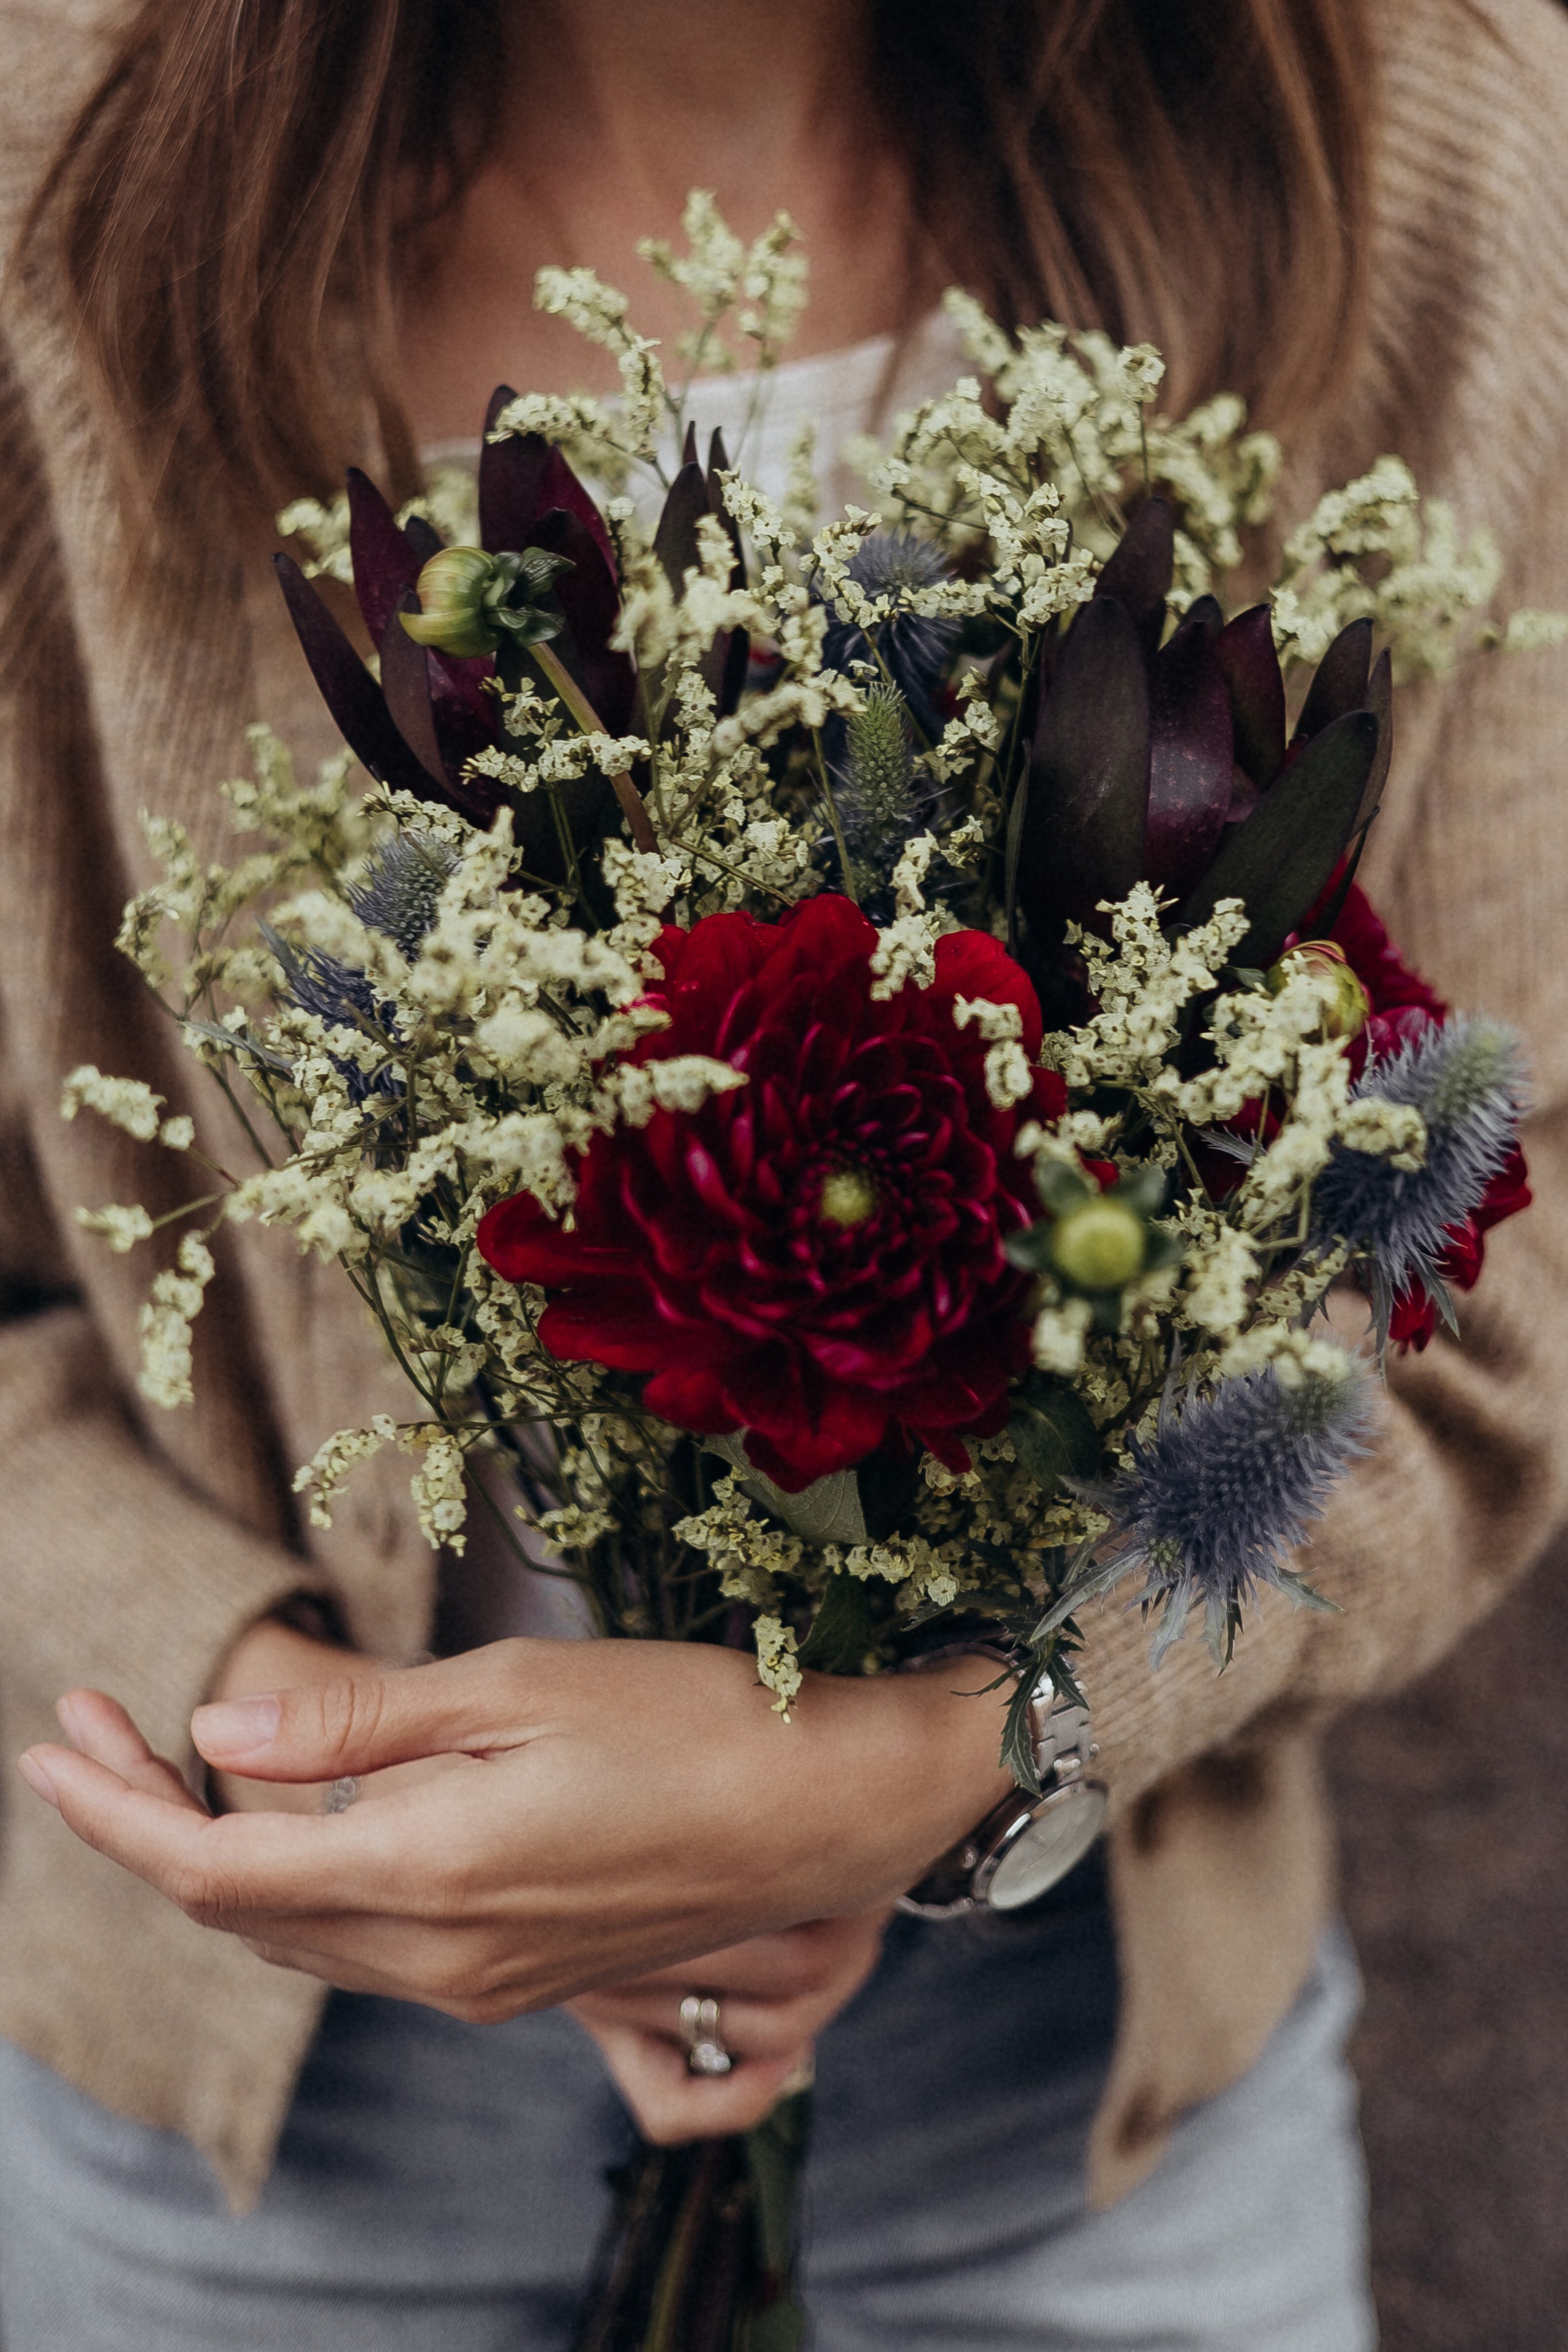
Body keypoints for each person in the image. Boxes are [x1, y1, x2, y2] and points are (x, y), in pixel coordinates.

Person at [2, 0, 1566, 2343]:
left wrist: (967, 1745)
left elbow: (1504, 1239)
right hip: (259, 2149)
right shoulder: (51, 159)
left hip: (1075, 2120)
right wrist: (265, 1726)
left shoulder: (1407, 127)